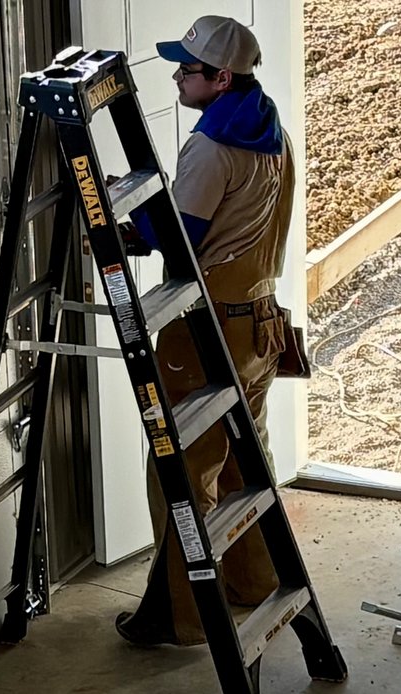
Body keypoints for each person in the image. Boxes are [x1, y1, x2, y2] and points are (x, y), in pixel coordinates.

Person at [116, 15, 299, 649]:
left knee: (182, 471)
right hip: (259, 323)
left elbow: (182, 240)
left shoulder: (209, 148)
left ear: (221, 78)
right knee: (247, 457)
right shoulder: (270, 129)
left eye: (187, 70)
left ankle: (180, 614)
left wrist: (126, 219)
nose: (175, 76)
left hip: (205, 329)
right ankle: (253, 580)